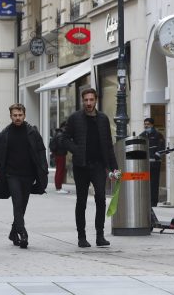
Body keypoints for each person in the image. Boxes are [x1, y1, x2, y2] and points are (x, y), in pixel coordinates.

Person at [59, 87, 119, 248]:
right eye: (86, 100)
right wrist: (76, 150)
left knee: (101, 198)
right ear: (82, 100)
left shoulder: (103, 119)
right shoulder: (75, 118)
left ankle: (100, 235)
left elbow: (108, 145)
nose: (88, 103)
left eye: (91, 100)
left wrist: (114, 168)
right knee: (82, 201)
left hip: (98, 166)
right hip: (81, 166)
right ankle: (81, 237)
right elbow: (64, 139)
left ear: (96, 100)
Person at [0, 104, 48, 249]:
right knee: (17, 203)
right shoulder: (5, 134)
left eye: (20, 115)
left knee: (22, 205)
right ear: (11, 116)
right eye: (15, 115)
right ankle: (23, 233)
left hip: (28, 175)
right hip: (12, 175)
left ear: (24, 115)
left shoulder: (32, 132)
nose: (17, 118)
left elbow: (41, 151)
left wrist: (43, 170)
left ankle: (13, 232)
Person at [143, 117, 166, 207]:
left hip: (155, 163)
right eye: (145, 124)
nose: (146, 126)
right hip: (144, 163)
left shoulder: (158, 135)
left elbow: (161, 147)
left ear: (152, 125)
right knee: (145, 183)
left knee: (154, 182)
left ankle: (153, 201)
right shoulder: (142, 135)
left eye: (148, 124)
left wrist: (157, 155)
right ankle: (146, 200)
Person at [49, 122, 69, 193]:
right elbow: (61, 144)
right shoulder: (61, 134)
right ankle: (58, 188)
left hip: (58, 154)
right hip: (60, 154)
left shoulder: (57, 133)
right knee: (60, 170)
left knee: (59, 170)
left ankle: (58, 187)